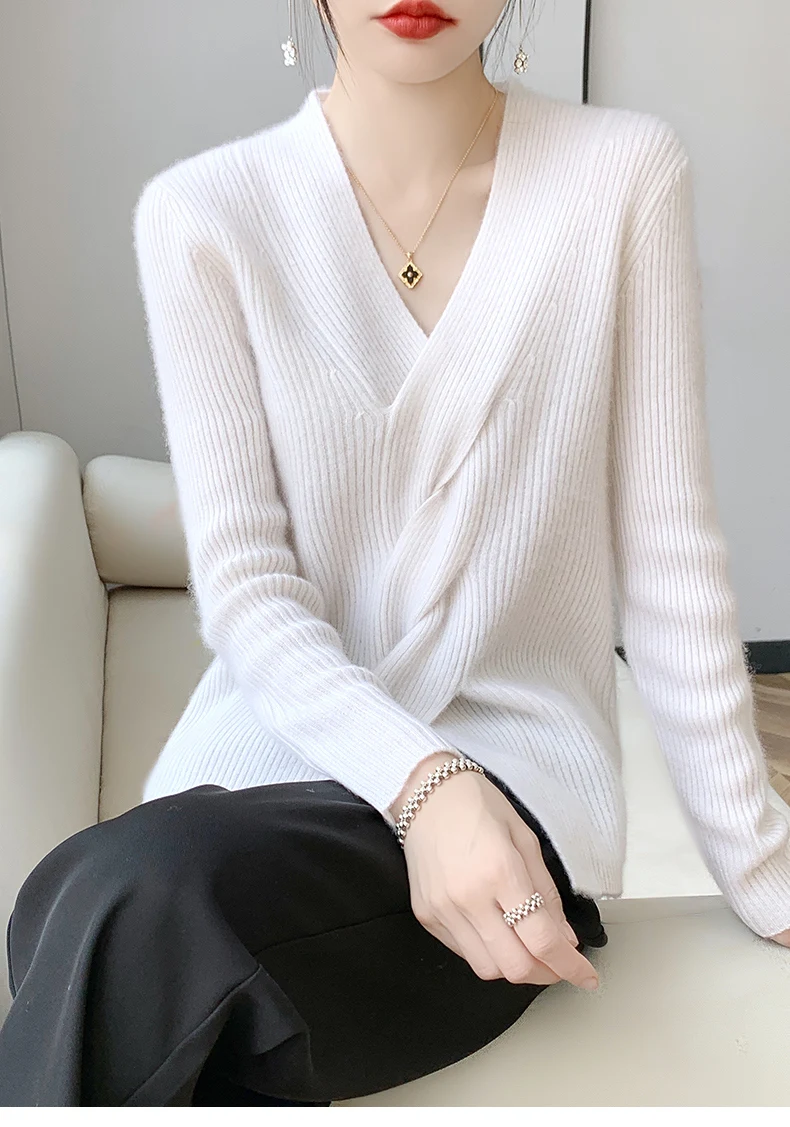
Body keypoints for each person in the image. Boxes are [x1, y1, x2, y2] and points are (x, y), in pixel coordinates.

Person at [2, 0, 790, 1108]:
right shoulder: (205, 213)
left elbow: (667, 557)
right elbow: (247, 588)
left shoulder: (619, 177)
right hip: (258, 790)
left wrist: (762, 867)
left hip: (511, 823)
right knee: (77, 899)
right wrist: (425, 782)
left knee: (129, 915)